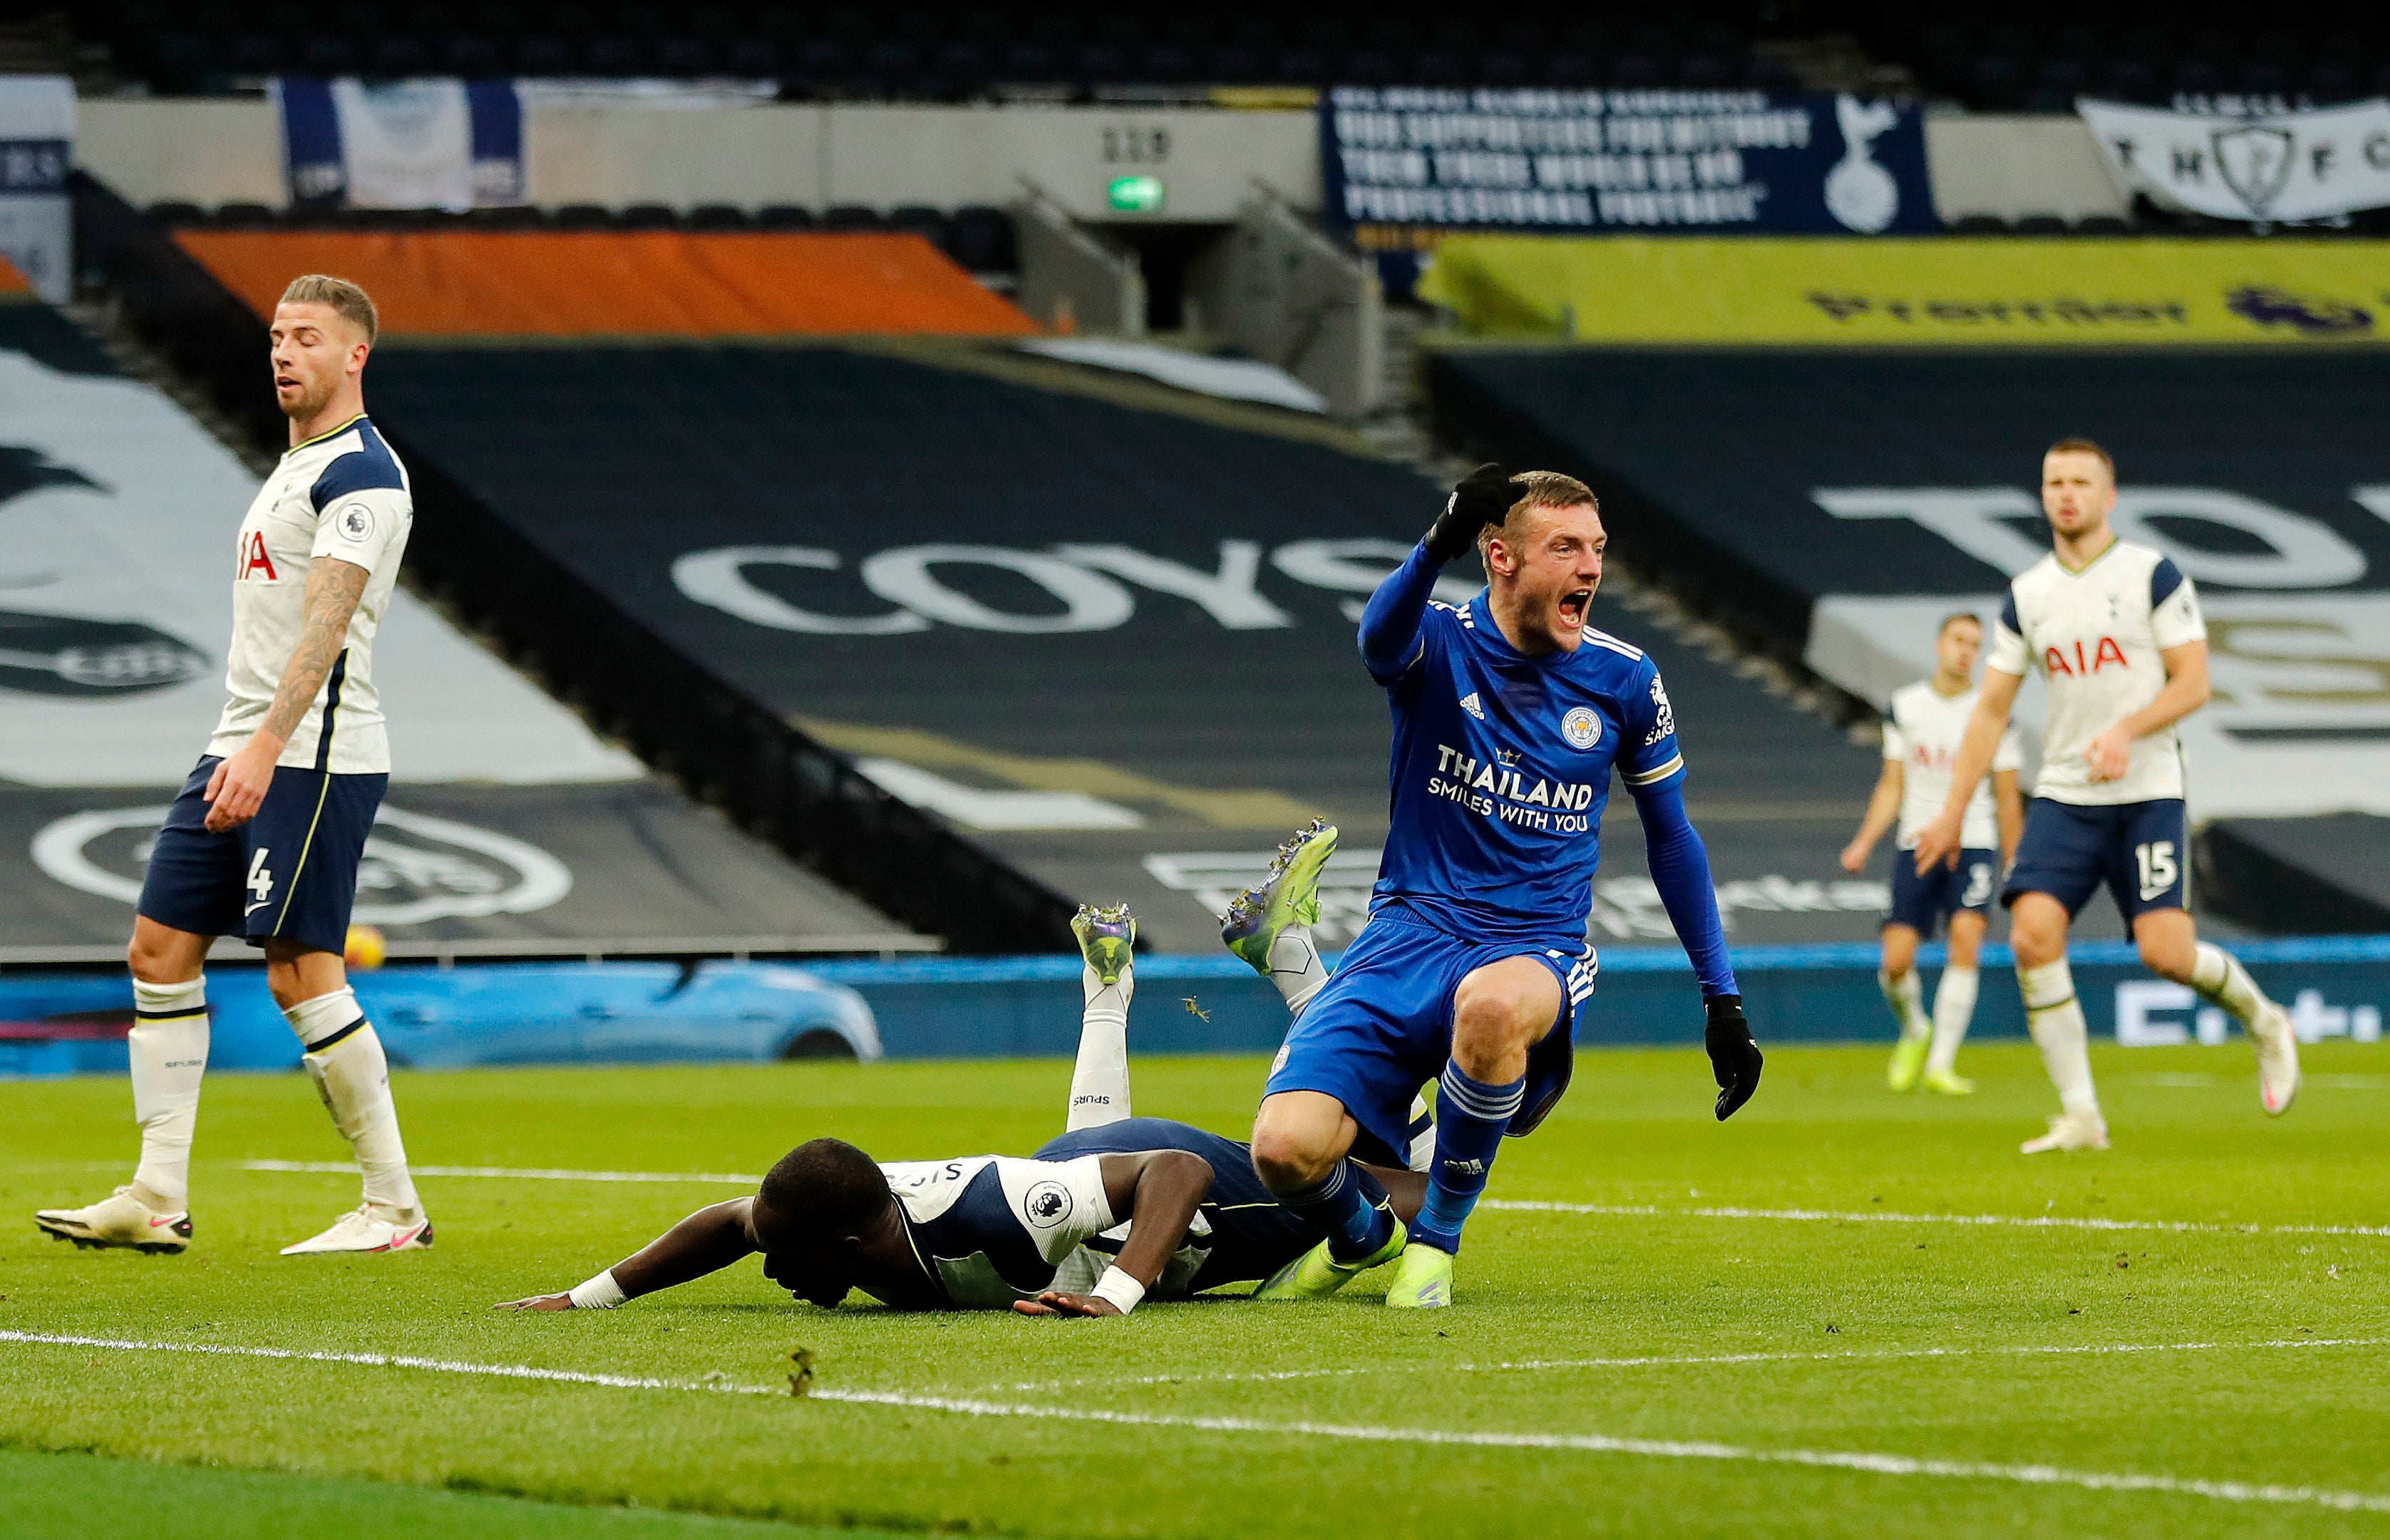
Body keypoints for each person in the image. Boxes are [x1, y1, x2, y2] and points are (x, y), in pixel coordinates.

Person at [1244, 465, 1761, 1311]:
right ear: (1499, 558)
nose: (1590, 568)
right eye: (1564, 547)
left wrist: (1722, 998)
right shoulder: (1440, 643)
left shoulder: (1624, 679)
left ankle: (1435, 1246)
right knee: (1283, 1152)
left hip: (1531, 946)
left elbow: (1672, 838)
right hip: (1403, 935)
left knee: (1488, 1006)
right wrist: (1432, 543)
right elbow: (1376, 642)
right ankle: (1361, 1236)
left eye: (1597, 548)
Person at [495, 900, 1429, 1318]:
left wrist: (1115, 1297)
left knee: (1418, 1194)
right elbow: (729, 1223)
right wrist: (589, 1295)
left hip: (1184, 1197)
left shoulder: (985, 1216)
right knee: (1069, 1181)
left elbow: (1176, 1174)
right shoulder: (841, 1212)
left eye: (785, 1256)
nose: (769, 1268)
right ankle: (1117, 996)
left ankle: (1303, 977)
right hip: (1074, 1167)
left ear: (849, 1246)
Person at [35, 275, 429, 1256]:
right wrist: (240, 743)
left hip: (310, 755)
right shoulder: (295, 466)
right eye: (277, 336)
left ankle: (393, 1210)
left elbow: (329, 627)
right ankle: (157, 1194)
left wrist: (262, 748)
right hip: (242, 742)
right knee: (158, 954)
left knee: (302, 974)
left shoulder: (363, 476)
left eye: (308, 337)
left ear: (355, 356)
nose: (284, 352)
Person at [1913, 438, 2299, 1152]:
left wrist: (2126, 727)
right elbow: (1990, 711)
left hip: (2147, 788)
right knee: (2030, 935)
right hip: (2065, 792)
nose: (2065, 493)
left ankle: (2265, 1018)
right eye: (2053, 481)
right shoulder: (2026, 595)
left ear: (2107, 495)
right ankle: (2082, 1116)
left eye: (2079, 482)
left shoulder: (2151, 574)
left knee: (2165, 954)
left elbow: (2193, 682)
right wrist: (1947, 809)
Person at [1840, 612, 2025, 1096]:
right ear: (1939, 643)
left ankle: (1941, 1063)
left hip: (1975, 840)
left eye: (1974, 643)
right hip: (1917, 842)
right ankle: (1916, 1029)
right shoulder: (1906, 707)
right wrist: (1863, 841)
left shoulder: (1991, 712)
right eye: (1958, 640)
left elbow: (2007, 795)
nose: (1966, 650)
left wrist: (2017, 861)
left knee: (1966, 941)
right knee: (1896, 962)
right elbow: (1891, 784)